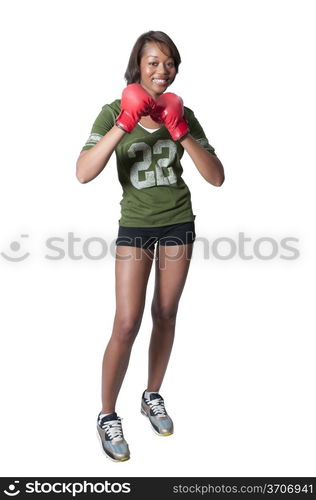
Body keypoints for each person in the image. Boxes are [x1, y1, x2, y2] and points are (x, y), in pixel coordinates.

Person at [76, 30, 225, 462]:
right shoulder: (112, 111)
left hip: (178, 222)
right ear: (138, 66)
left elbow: (216, 177)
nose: (162, 70)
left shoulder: (184, 113)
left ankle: (152, 395)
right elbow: (83, 172)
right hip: (136, 226)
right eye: (153, 62)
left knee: (166, 313)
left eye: (169, 63)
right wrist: (124, 123)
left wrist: (181, 132)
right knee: (126, 323)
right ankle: (107, 415)